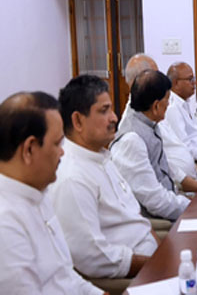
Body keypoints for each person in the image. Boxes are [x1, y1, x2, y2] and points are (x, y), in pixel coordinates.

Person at [50, 75, 158, 279]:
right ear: (78, 121)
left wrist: (162, 253)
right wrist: (157, 264)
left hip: (150, 255)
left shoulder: (102, 157)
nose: (114, 118)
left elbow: (135, 217)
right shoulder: (73, 177)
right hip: (132, 275)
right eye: (104, 111)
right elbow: (93, 257)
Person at [0, 91, 103, 294]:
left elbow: (67, 275)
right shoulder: (6, 223)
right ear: (29, 149)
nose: (62, 152)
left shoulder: (38, 192)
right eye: (57, 143)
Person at [111, 70, 197, 221]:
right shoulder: (132, 141)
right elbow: (155, 201)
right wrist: (194, 207)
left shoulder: (149, 124)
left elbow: (165, 169)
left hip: (171, 200)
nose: (169, 105)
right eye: (168, 100)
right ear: (156, 106)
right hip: (155, 220)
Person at [123, 53, 197, 181]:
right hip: (175, 186)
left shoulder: (155, 113)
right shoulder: (133, 130)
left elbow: (175, 151)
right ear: (140, 81)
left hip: (190, 178)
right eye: (156, 76)